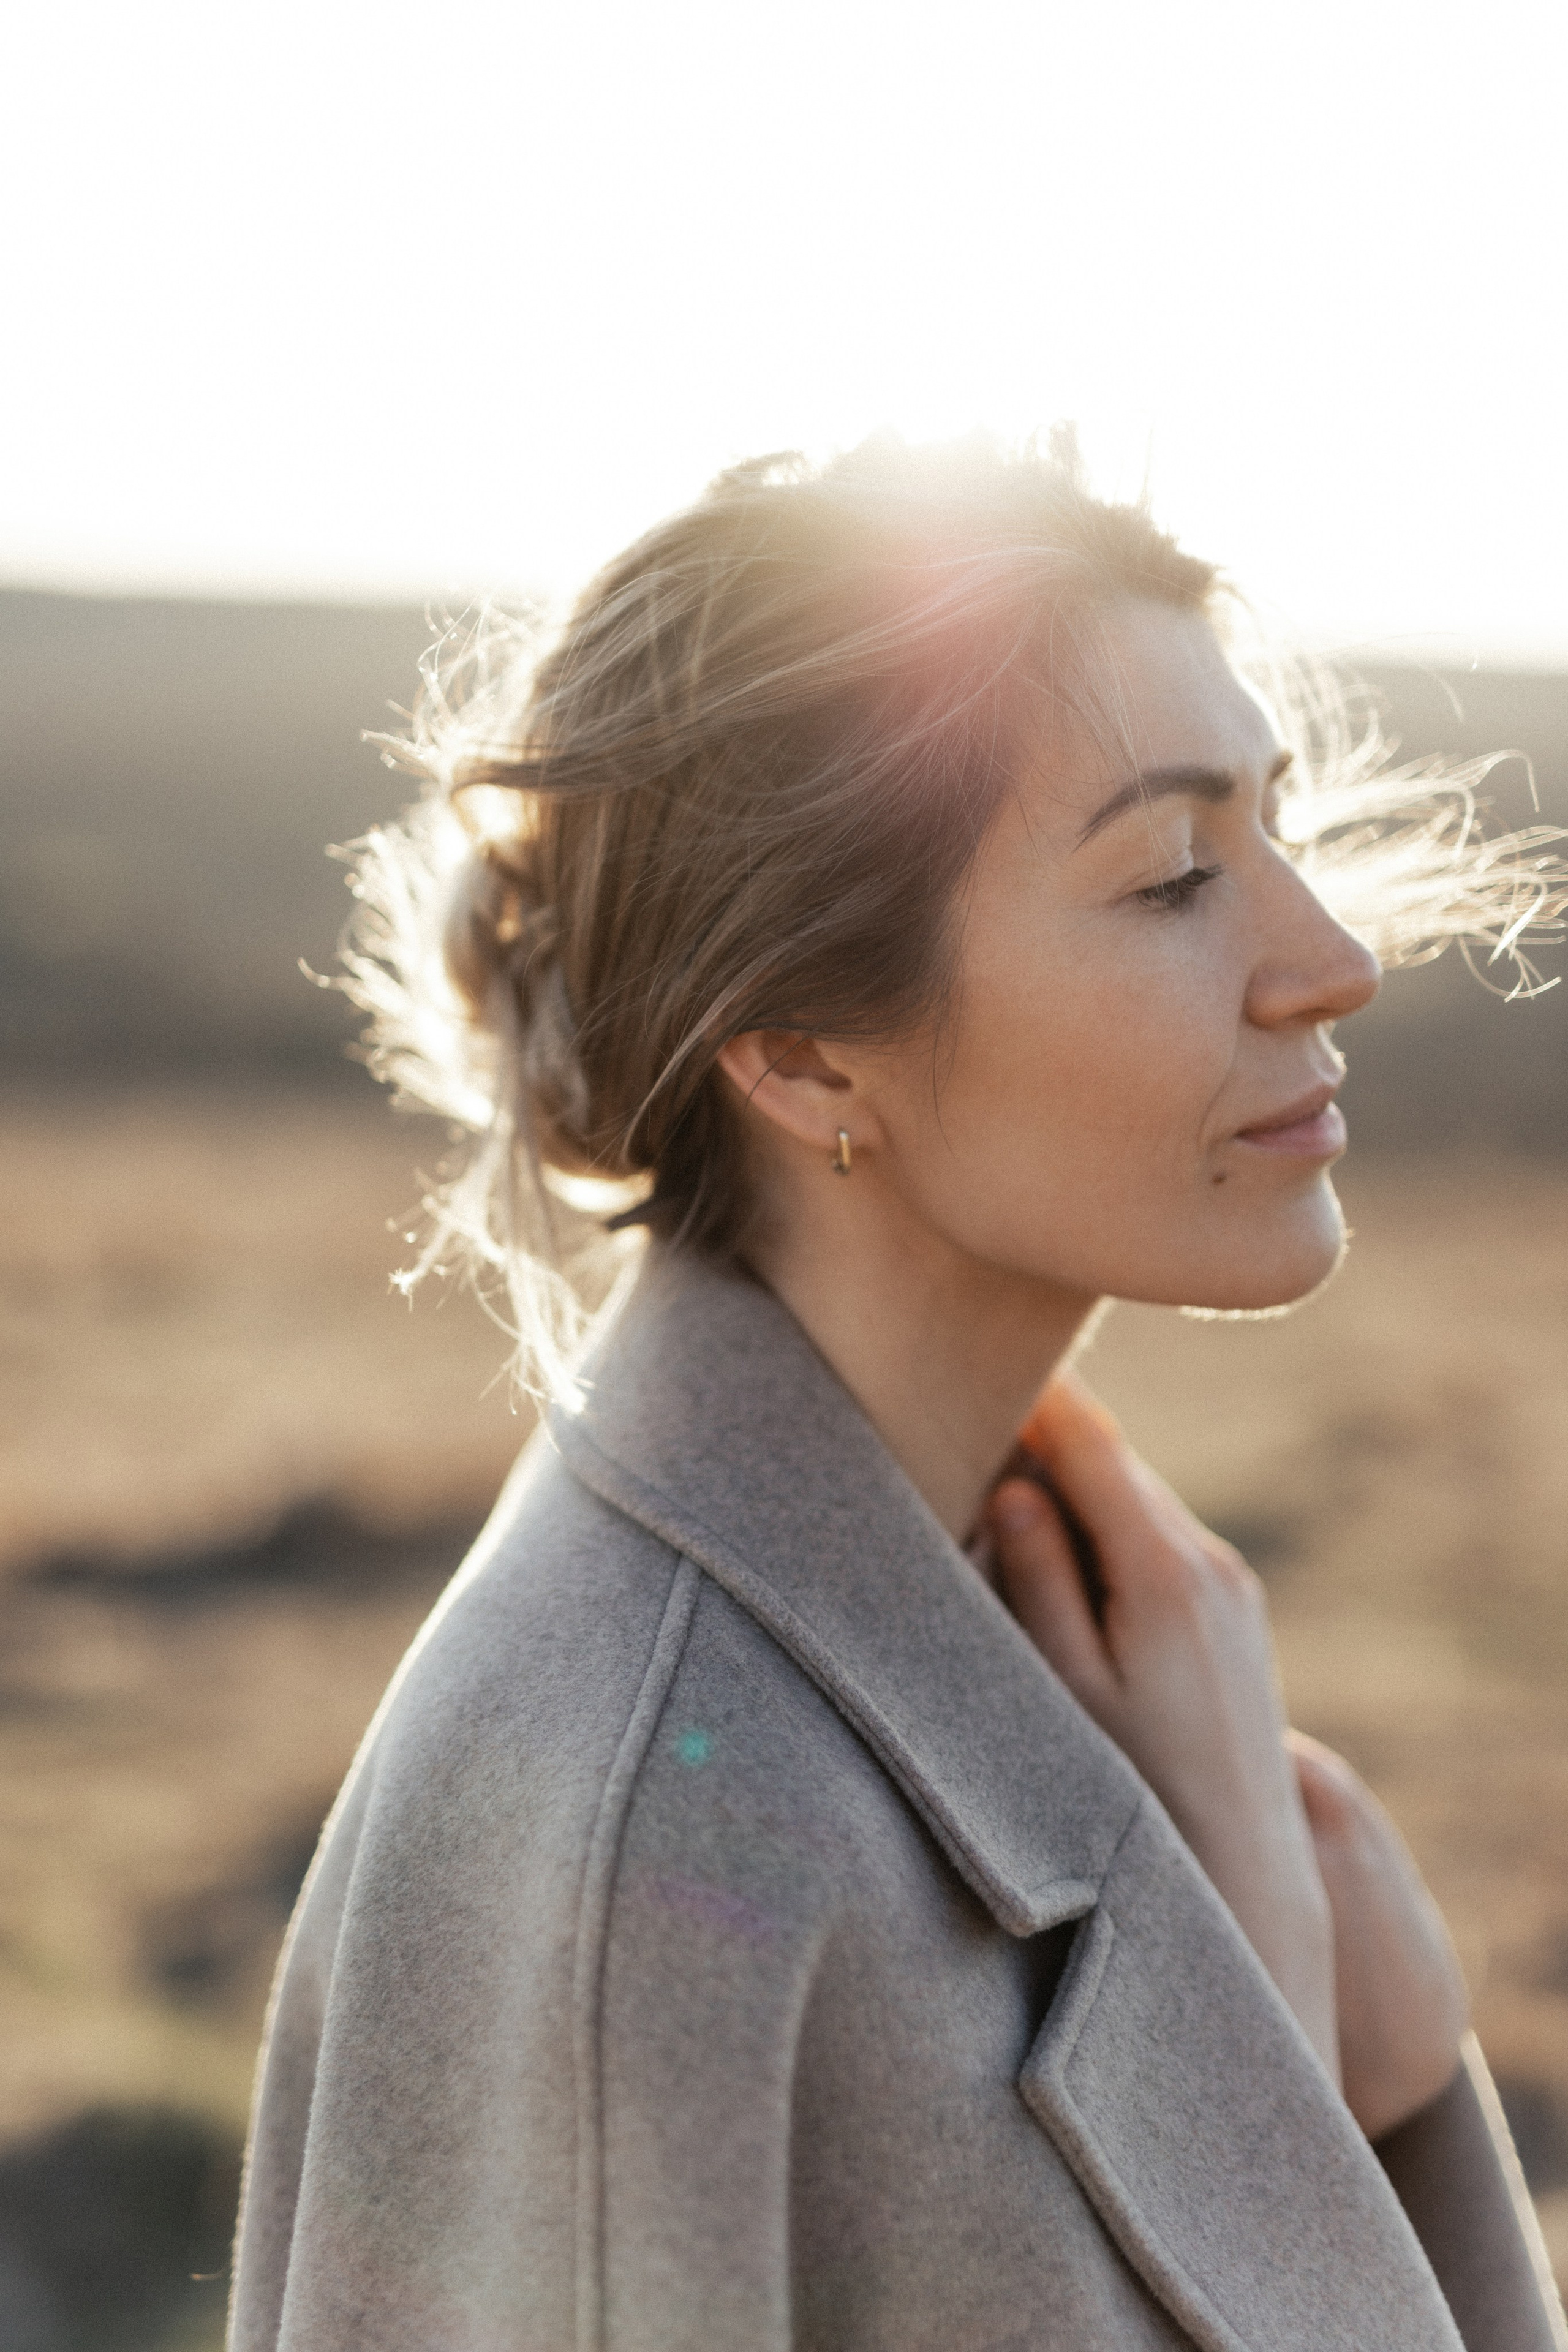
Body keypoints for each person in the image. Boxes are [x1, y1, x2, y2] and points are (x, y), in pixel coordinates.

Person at [230, 437, 1566, 2351]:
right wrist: (1261, 2031)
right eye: (1180, 878)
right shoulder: (649, 1836)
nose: (1335, 961)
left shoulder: (996, 1649)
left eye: (1280, 830)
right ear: (798, 1055)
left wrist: (1351, 2066)